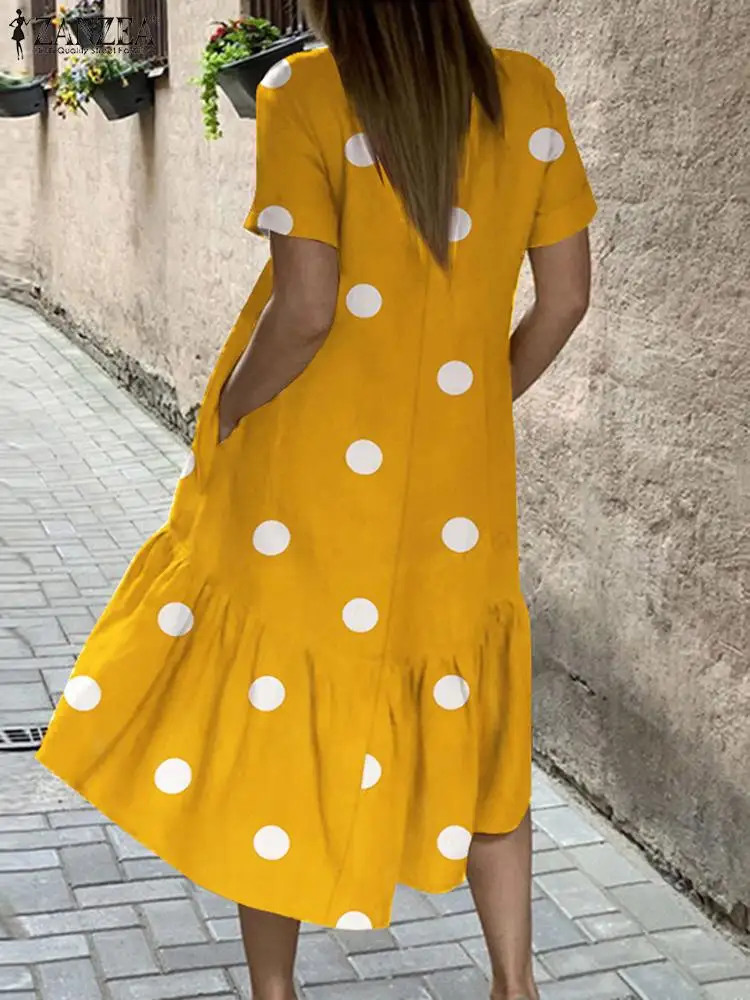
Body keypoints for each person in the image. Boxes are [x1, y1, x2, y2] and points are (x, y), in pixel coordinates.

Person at [37, 1, 596, 998]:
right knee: (477, 710)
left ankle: (276, 991)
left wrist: (231, 409)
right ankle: (515, 983)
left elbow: (304, 310)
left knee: (280, 712)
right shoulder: (527, 92)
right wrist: (475, 405)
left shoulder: (303, 90)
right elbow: (565, 299)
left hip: (305, 473)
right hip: (460, 486)